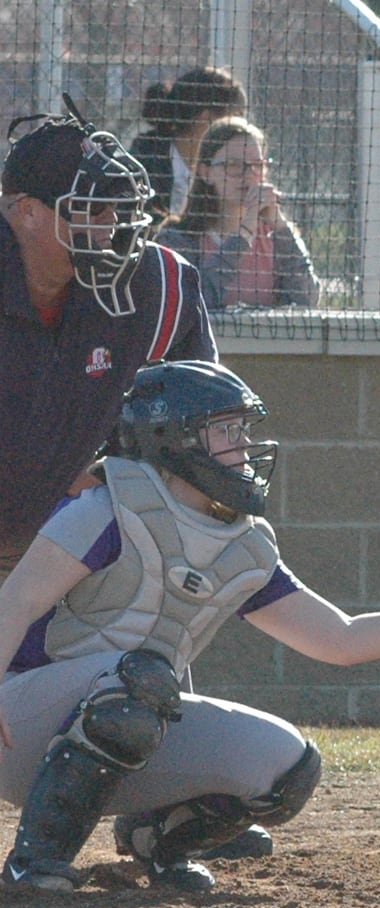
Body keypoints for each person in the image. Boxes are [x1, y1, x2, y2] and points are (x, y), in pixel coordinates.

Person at [0, 360, 380, 893]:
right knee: (142, 680)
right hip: (20, 724)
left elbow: (342, 640)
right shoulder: (107, 506)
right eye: (227, 429)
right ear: (173, 436)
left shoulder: (244, 542)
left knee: (288, 769)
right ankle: (33, 864)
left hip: (128, 712)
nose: (244, 446)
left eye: (244, 429)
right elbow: (14, 601)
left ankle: (158, 838)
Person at [1, 104, 214, 578]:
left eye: (116, 207)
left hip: (80, 560)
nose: (108, 226)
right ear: (27, 212)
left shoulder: (156, 285)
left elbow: (206, 417)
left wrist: (116, 474)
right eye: (87, 209)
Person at [155, 118, 320, 310]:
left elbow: (308, 299)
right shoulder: (177, 239)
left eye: (257, 165)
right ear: (205, 172)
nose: (248, 174)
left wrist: (281, 226)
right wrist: (243, 236)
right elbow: (194, 301)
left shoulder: (276, 239)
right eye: (233, 165)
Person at [126, 68, 247, 223]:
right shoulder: (142, 167)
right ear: (207, 119)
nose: (240, 129)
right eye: (235, 118)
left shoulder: (231, 171)